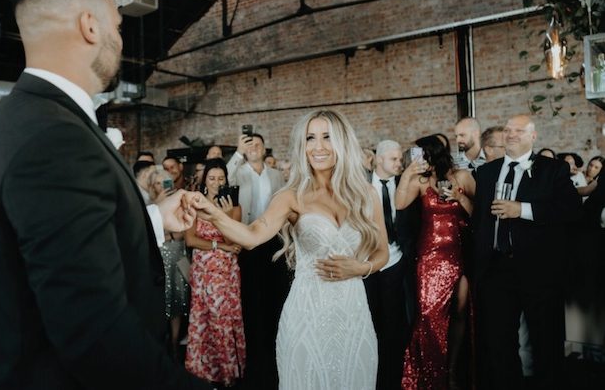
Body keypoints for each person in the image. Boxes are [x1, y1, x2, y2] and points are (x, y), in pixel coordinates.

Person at [0, 0, 208, 389]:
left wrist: (153, 219)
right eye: (117, 25)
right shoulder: (56, 139)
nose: (120, 37)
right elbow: (95, 335)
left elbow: (56, 252)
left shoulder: (15, 118)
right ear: (90, 27)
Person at [195, 109, 389, 390]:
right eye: (311, 138)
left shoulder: (366, 194)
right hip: (306, 315)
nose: (318, 146)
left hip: (353, 314)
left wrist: (362, 268)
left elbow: (381, 252)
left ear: (343, 143)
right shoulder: (291, 195)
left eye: (327, 137)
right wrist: (213, 215)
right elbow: (251, 236)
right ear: (302, 144)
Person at [472, 115, 580, 390]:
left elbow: (570, 211)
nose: (511, 134)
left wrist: (522, 210)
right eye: (507, 130)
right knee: (498, 342)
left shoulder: (552, 169)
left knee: (546, 340)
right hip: (496, 269)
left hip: (539, 270)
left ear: (533, 136)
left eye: (519, 130)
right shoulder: (486, 173)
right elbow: (480, 223)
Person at [397, 135, 475, 390]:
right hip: (430, 257)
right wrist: (409, 172)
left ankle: (452, 371)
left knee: (461, 312)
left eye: (422, 155)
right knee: (429, 316)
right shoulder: (421, 180)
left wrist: (460, 198)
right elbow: (399, 203)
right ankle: (432, 373)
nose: (419, 159)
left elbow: (481, 212)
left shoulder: (461, 177)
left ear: (433, 154)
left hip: (459, 253)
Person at [226, 131, 286, 389]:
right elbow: (223, 177)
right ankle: (255, 342)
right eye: (249, 145)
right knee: (252, 291)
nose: (254, 148)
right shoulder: (239, 172)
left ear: (264, 149)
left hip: (273, 237)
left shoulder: (275, 174)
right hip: (248, 234)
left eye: (258, 144)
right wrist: (238, 153)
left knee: (274, 289)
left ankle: (274, 340)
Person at [185, 159, 245, 387]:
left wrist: (226, 217)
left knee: (223, 319)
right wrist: (219, 246)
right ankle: (202, 371)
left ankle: (225, 373)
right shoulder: (196, 205)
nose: (216, 183)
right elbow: (191, 240)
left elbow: (235, 241)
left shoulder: (234, 207)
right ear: (204, 180)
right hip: (202, 271)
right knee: (203, 318)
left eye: (221, 179)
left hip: (225, 273)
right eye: (212, 178)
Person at [365, 139, 411, 390]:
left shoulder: (406, 185)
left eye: (399, 159)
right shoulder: (361, 185)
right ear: (378, 159)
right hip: (368, 263)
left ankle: (393, 379)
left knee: (395, 323)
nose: (398, 164)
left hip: (397, 259)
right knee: (371, 320)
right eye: (393, 159)